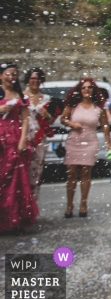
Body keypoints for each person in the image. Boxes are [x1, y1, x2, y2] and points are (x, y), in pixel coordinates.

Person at [61, 78, 111, 218]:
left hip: (90, 142)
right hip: (74, 141)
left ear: (93, 90)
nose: (86, 90)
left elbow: (105, 126)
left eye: (89, 87)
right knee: (71, 173)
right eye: (84, 88)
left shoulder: (98, 108)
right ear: (80, 90)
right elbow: (62, 119)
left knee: (85, 173)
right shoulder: (73, 105)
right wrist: (72, 124)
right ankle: (69, 204)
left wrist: (108, 144)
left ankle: (83, 204)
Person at [0, 62, 38, 232]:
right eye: (8, 74)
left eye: (14, 74)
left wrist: (23, 140)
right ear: (1, 75)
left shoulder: (20, 96)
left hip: (14, 138)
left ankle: (15, 219)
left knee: (16, 181)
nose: (11, 77)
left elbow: (25, 120)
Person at [23, 67, 59, 201]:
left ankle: (32, 202)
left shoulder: (46, 99)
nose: (35, 81)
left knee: (36, 171)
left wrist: (47, 115)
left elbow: (51, 121)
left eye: (38, 79)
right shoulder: (22, 97)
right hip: (25, 137)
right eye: (33, 78)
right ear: (28, 80)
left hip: (40, 138)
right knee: (23, 171)